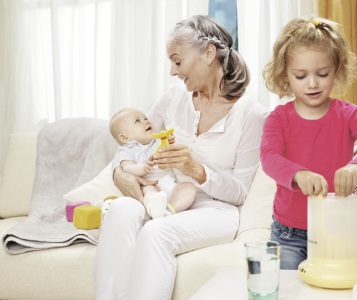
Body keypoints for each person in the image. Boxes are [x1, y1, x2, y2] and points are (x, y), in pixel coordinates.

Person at [95, 15, 267, 299]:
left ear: (208, 54)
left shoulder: (251, 114)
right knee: (121, 210)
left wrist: (196, 169)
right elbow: (134, 143)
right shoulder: (173, 98)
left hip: (215, 210)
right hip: (167, 197)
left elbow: (240, 191)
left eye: (177, 61)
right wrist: (119, 172)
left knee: (156, 233)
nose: (173, 72)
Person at [260, 16, 357, 270]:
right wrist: (298, 174)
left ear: (337, 70)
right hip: (288, 235)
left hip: (336, 229)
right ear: (285, 75)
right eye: (300, 75)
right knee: (286, 290)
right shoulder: (278, 118)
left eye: (322, 74)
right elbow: (269, 157)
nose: (312, 83)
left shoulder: (349, 114)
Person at [109, 107, 196, 218]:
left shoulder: (158, 140)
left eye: (145, 118)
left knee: (189, 187)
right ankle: (154, 210)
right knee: (148, 192)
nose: (146, 121)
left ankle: (171, 209)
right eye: (137, 121)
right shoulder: (128, 149)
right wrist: (143, 168)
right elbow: (127, 168)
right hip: (152, 185)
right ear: (125, 138)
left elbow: (170, 154)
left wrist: (169, 143)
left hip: (171, 185)